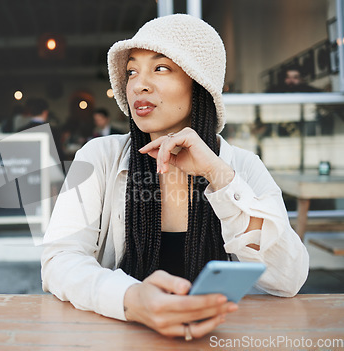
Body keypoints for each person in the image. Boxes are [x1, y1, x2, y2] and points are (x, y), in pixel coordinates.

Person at [41, 14, 309, 340]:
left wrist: (219, 177)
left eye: (161, 68)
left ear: (199, 84)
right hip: (121, 337)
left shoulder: (241, 166)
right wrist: (130, 298)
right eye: (132, 71)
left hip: (219, 336)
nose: (139, 83)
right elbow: (59, 260)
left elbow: (288, 279)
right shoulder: (98, 157)